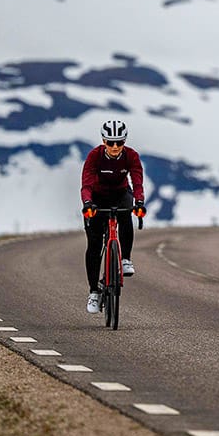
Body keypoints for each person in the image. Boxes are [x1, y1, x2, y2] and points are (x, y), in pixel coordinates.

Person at [81, 120, 147, 314]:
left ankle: (125, 259)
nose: (115, 146)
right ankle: (94, 291)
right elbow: (86, 184)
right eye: (111, 142)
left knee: (126, 216)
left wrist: (140, 203)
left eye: (119, 142)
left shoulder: (131, 156)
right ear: (104, 141)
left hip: (120, 194)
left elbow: (137, 182)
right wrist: (87, 204)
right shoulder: (94, 156)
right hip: (97, 197)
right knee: (94, 245)